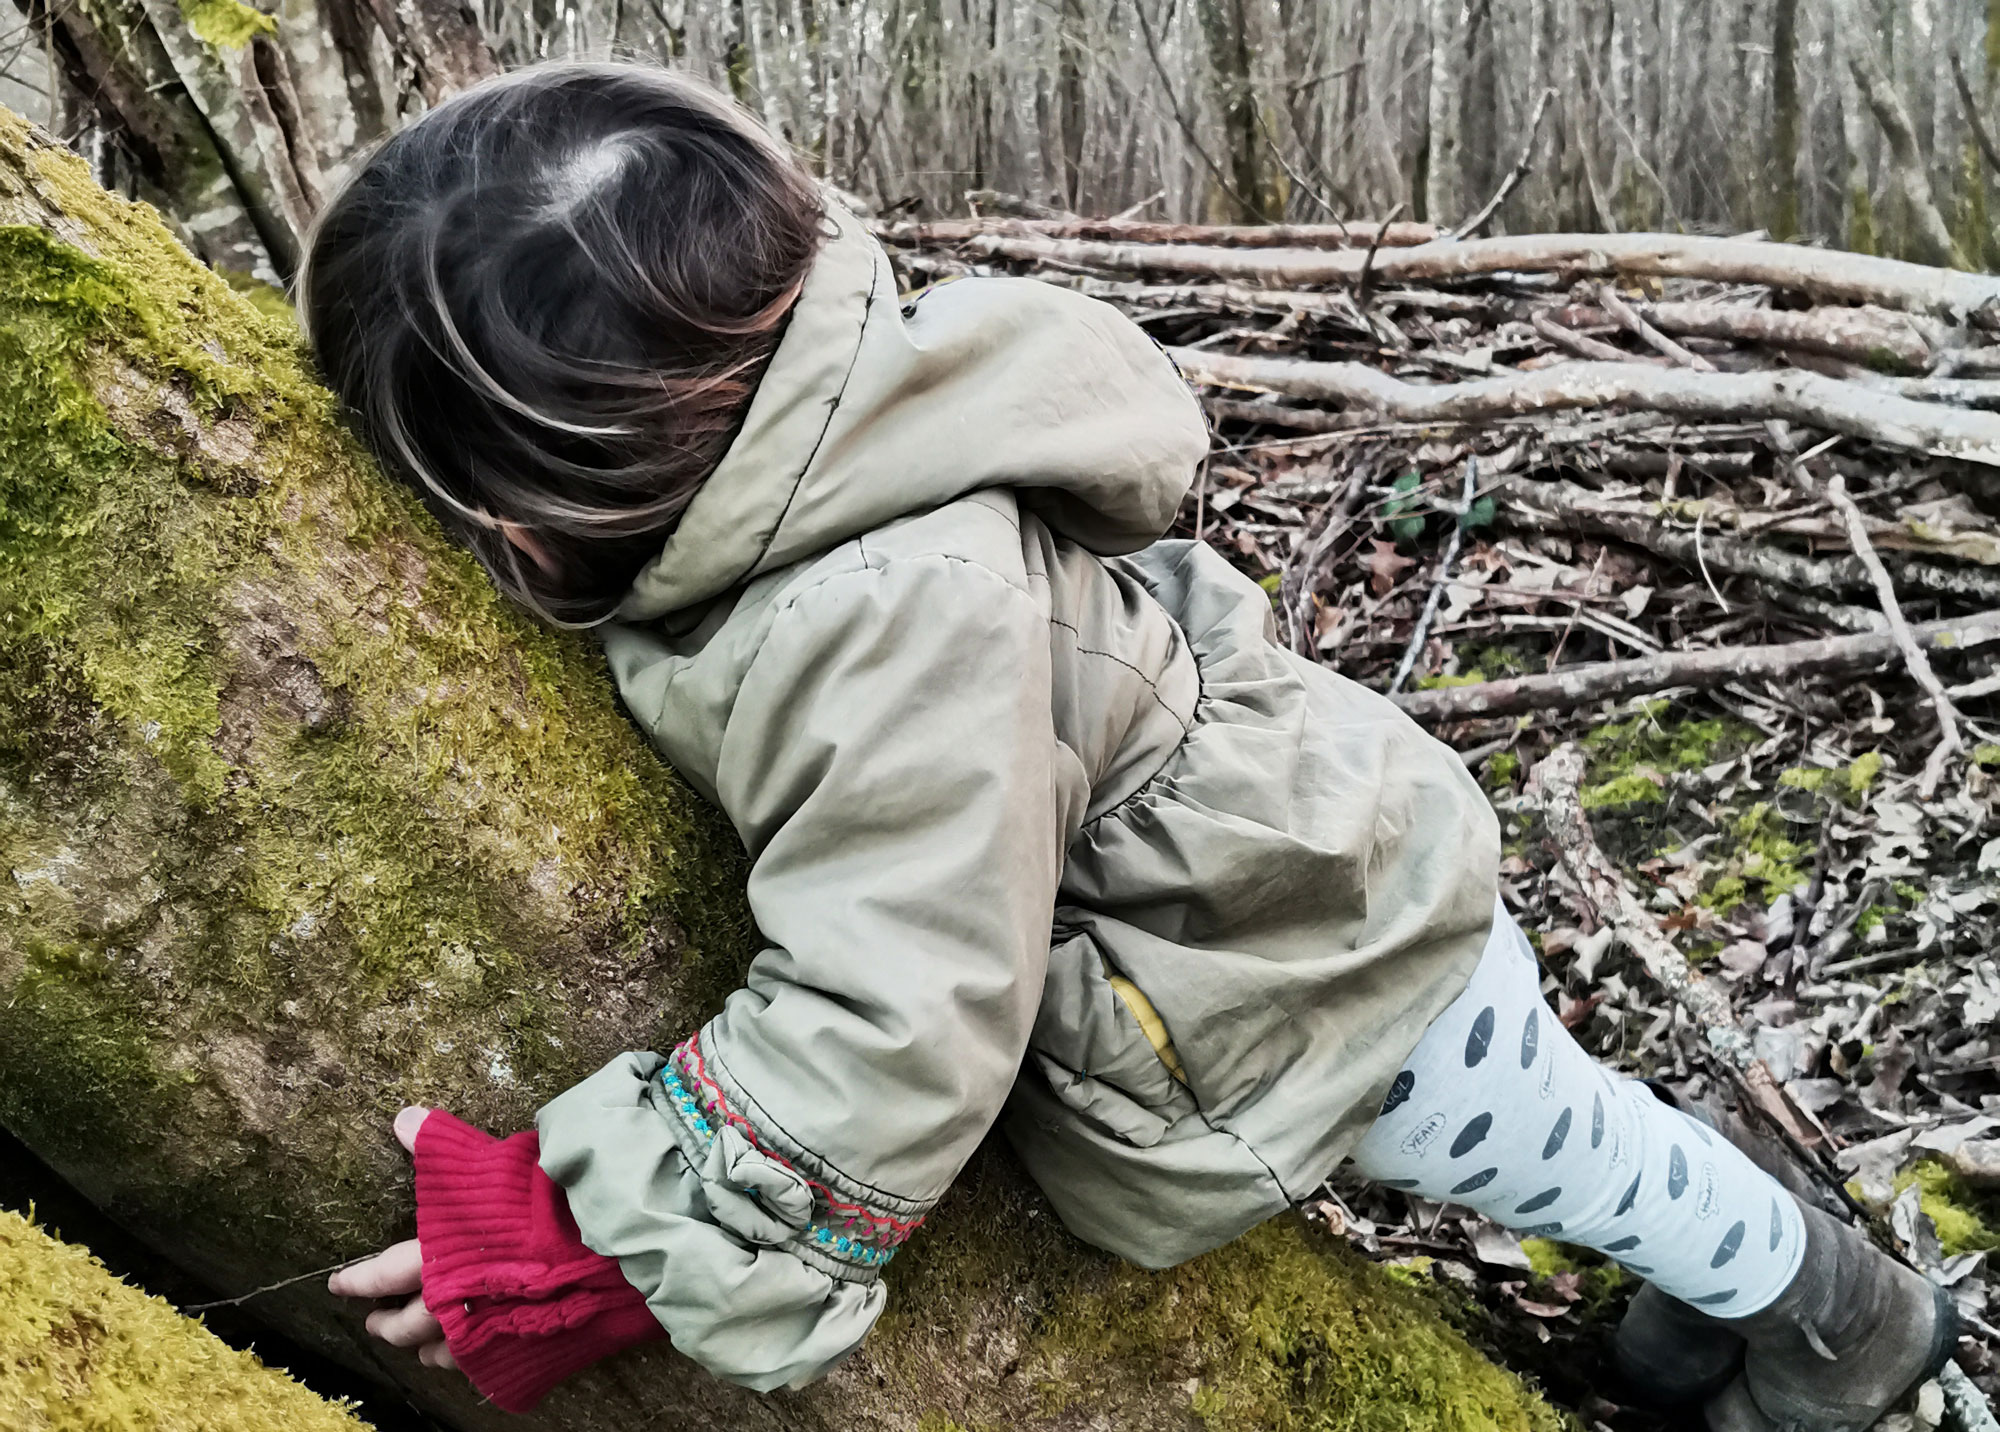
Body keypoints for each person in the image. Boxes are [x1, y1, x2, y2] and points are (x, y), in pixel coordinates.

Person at [297, 59, 1954, 1430]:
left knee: (1556, 1159)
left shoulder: (884, 618)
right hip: (1288, 878)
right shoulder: (867, 417)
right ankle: (1712, 1237)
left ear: (524, 525)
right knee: (1583, 1143)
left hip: (1324, 963)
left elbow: (899, 1008)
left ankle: (1840, 1315)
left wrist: (609, 1236)